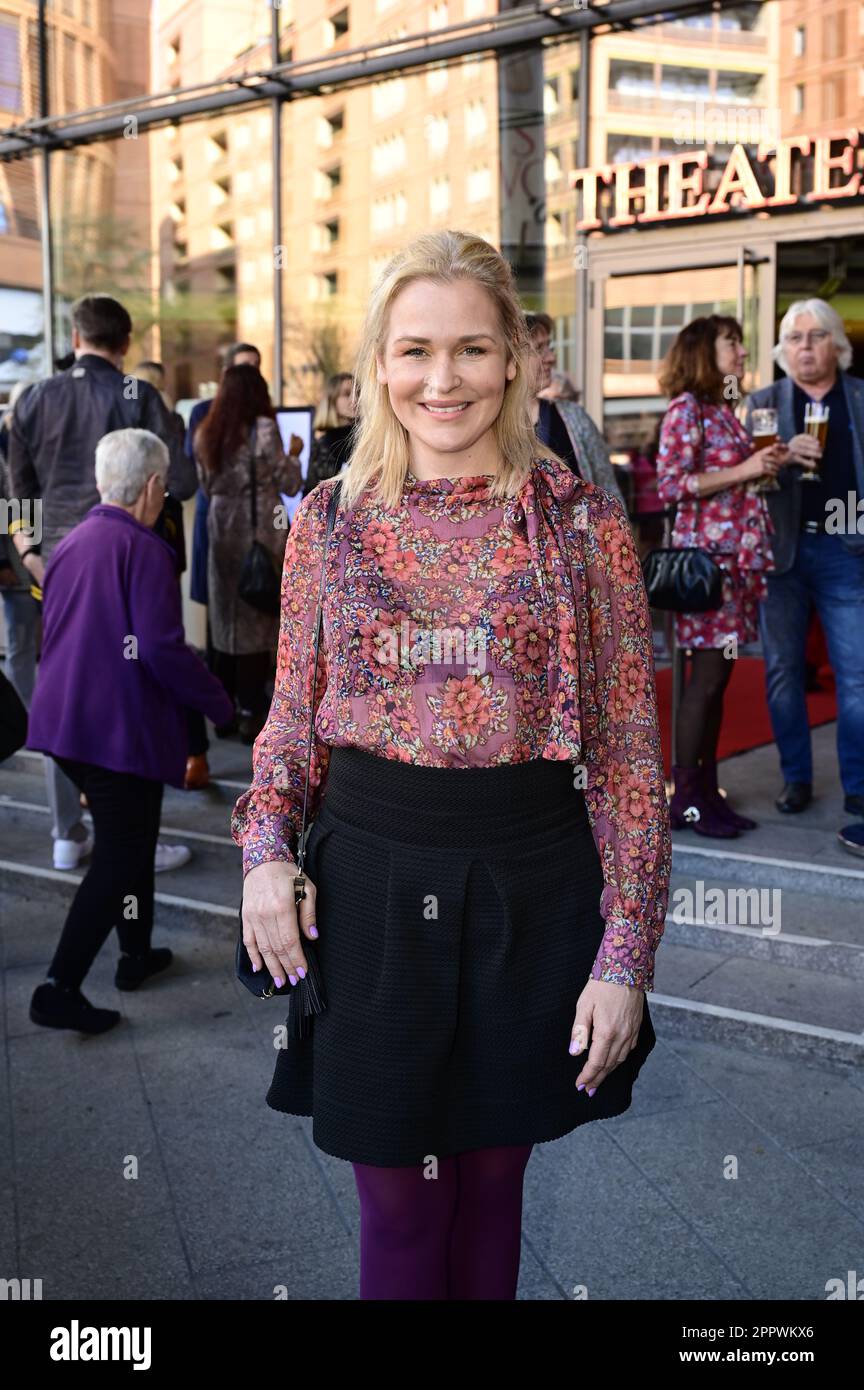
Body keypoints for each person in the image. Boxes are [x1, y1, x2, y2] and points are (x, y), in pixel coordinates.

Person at [231, 230, 671, 1302]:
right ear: (378, 362)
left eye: (472, 350)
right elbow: (291, 722)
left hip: (531, 885)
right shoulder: (327, 523)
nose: (443, 379)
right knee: (399, 1201)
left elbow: (624, 755)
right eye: (416, 349)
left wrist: (627, 955)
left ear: (516, 359)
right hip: (371, 889)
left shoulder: (579, 524)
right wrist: (259, 850)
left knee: (492, 1182)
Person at [24, 429, 234, 1035]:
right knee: (119, 854)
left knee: (135, 838)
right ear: (152, 486)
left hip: (68, 722)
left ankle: (136, 955)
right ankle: (58, 987)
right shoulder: (145, 550)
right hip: (110, 731)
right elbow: (162, 651)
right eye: (164, 483)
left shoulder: (72, 542)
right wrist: (221, 708)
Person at [7, 294, 199, 873]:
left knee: (55, 688)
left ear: (74, 339)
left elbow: (16, 489)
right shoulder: (136, 395)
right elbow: (183, 481)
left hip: (48, 570)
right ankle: (132, 835)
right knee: (129, 691)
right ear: (127, 344)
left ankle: (68, 831)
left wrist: (30, 552)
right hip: (118, 563)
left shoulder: (34, 397)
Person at [656, 314, 789, 837]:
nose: (740, 350)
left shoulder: (724, 410)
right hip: (705, 569)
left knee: (719, 680)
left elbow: (733, 479)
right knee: (705, 682)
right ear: (701, 352)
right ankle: (686, 798)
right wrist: (744, 471)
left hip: (735, 563)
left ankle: (705, 791)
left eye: (740, 341)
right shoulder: (686, 409)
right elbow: (670, 485)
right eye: (730, 342)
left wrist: (764, 466)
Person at [744, 299, 864, 819]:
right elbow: (745, 481)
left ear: (836, 346)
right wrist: (780, 458)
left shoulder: (859, 398)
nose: (806, 348)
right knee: (782, 671)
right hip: (781, 552)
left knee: (856, 675)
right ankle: (796, 778)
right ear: (783, 350)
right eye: (795, 339)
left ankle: (857, 784)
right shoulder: (763, 403)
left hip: (845, 548)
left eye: (816, 337)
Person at [194, 363, 303, 744]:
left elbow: (205, 486)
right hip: (261, 529)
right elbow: (290, 483)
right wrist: (294, 454)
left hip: (221, 529)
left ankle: (225, 709)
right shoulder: (265, 429)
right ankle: (252, 711)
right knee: (260, 617)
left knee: (226, 620)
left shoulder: (208, 431)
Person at [185, 342, 263, 617]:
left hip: (255, 523)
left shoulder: (262, 415)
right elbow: (196, 469)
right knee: (218, 600)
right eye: (245, 366)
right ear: (228, 370)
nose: (252, 373)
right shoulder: (203, 412)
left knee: (253, 599)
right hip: (216, 518)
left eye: (256, 366)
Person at [526, 311, 624, 503]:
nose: (551, 357)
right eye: (539, 349)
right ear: (511, 360)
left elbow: (609, 493)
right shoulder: (489, 427)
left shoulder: (573, 418)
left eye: (549, 347)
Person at [302, 372, 357, 497]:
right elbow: (311, 491)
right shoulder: (322, 444)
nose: (355, 398)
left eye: (358, 392)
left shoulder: (370, 438)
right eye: (347, 394)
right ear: (332, 400)